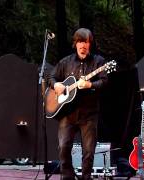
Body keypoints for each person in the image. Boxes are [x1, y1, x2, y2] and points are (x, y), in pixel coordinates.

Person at [48, 28, 108, 180]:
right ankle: (68, 177)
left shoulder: (99, 62)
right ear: (75, 43)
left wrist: (90, 85)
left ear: (90, 44)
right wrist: (56, 85)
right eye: (81, 42)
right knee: (63, 148)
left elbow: (104, 82)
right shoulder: (65, 62)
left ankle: (85, 178)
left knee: (88, 152)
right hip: (67, 114)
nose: (83, 45)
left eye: (86, 42)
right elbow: (52, 77)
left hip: (89, 114)